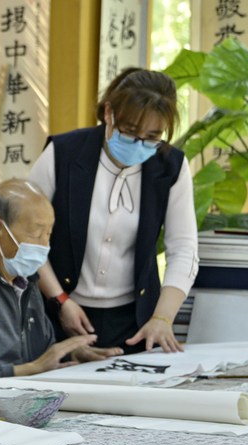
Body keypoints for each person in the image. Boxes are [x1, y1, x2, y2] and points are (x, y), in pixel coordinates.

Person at [27, 67, 198, 354]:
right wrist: (60, 300)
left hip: (134, 323)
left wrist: (162, 317)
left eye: (152, 136)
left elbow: (183, 248)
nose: (139, 143)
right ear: (109, 113)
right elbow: (26, 235)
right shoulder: (64, 153)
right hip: (57, 311)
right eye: (130, 132)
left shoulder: (171, 167)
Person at [0, 179, 123, 395]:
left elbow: (40, 355)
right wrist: (29, 370)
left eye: (48, 234)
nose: (44, 246)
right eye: (36, 234)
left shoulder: (25, 279)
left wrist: (72, 354)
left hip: (24, 405)